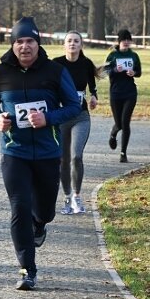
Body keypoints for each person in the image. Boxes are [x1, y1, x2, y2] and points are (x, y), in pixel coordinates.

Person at [0, 17, 81, 290]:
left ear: (38, 43)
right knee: (19, 208)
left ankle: (40, 224)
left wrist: (48, 118)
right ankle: (28, 270)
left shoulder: (55, 71)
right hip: (15, 152)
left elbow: (74, 106)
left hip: (48, 153)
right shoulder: (0, 72)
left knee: (45, 211)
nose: (25, 47)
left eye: (30, 41)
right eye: (19, 41)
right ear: (13, 45)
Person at [53, 31, 101, 215]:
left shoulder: (86, 64)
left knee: (76, 156)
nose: (72, 44)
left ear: (81, 45)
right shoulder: (56, 64)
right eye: (69, 41)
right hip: (61, 117)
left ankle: (77, 197)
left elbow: (92, 86)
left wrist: (94, 97)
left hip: (81, 116)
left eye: (76, 41)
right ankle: (66, 197)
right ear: (64, 45)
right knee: (63, 159)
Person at [105, 28, 142, 163]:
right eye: (124, 40)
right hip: (115, 93)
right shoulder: (113, 55)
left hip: (130, 93)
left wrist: (134, 73)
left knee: (125, 122)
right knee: (119, 124)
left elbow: (139, 72)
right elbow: (106, 71)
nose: (126, 42)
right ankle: (113, 133)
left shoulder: (134, 56)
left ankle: (123, 153)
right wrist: (115, 69)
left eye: (128, 40)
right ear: (119, 41)